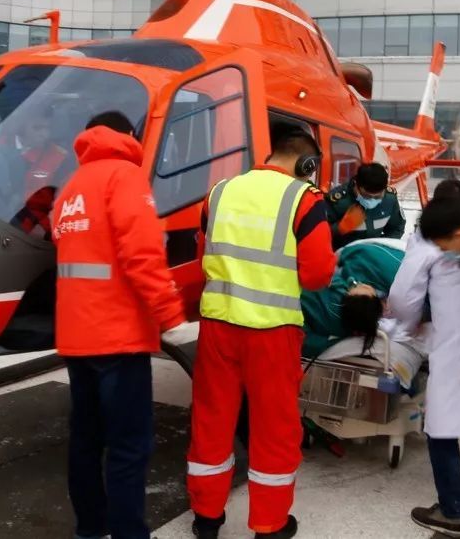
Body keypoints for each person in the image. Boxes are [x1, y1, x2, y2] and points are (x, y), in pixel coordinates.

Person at [52, 111, 198, 539]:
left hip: (77, 338)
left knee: (85, 442)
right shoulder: (125, 177)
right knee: (129, 447)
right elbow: (143, 256)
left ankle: (90, 530)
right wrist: (172, 319)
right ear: (129, 136)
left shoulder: (71, 188)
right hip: (118, 339)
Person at [187, 128, 336, 539]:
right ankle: (269, 525)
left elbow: (205, 257)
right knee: (274, 428)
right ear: (307, 165)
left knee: (211, 421)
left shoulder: (218, 193)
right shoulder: (303, 201)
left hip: (218, 326)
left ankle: (206, 518)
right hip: (272, 332)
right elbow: (318, 274)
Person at [392, 198, 460, 538]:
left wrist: (409, 329)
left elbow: (403, 297)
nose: (441, 248)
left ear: (459, 232)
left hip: (453, 356)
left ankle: (452, 511)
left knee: (440, 431)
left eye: (443, 241)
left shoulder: (431, 254)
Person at [300, 238, 405, 358]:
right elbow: (308, 344)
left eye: (357, 286)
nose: (359, 283)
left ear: (348, 296)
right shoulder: (341, 328)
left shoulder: (334, 290)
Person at [326, 162, 405, 249]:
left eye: (378, 197)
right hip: (342, 256)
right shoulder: (337, 202)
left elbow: (397, 228)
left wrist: (382, 248)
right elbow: (317, 235)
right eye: (367, 196)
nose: (372, 200)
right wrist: (340, 228)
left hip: (374, 254)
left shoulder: (389, 200)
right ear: (356, 185)